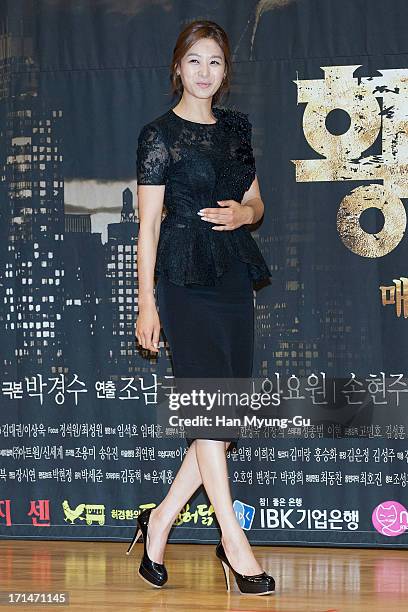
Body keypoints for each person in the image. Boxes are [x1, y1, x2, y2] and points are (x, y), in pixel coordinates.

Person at [128, 19, 275, 596]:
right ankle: (234, 545)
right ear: (177, 68)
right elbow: (147, 226)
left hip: (234, 276)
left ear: (225, 71)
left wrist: (245, 214)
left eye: (215, 62)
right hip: (183, 280)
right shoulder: (157, 135)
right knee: (210, 412)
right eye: (195, 61)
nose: (204, 72)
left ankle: (160, 519)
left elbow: (258, 201)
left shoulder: (237, 128)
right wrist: (146, 302)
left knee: (222, 414)